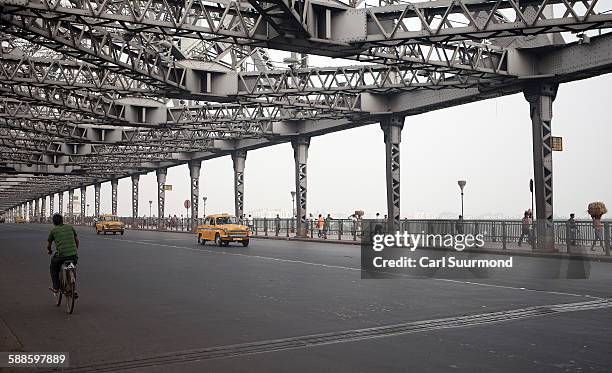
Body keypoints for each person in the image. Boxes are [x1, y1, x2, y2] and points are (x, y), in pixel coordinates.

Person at [47, 213, 79, 294]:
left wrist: (49, 251)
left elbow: (48, 245)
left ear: (53, 222)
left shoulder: (53, 231)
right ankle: (72, 287)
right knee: (71, 266)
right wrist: (75, 250)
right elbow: (77, 241)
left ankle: (56, 287)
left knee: (53, 268)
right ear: (62, 220)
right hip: (74, 255)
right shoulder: (70, 227)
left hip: (61, 256)